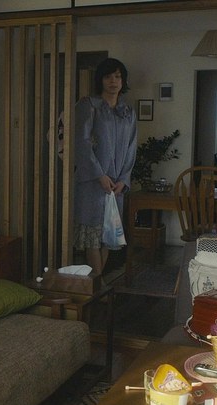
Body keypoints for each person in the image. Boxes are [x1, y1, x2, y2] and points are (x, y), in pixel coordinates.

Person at [73, 57, 137, 276]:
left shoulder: (128, 112)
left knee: (110, 235)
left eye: (118, 76)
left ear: (123, 80)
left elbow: (131, 147)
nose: (113, 81)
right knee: (92, 235)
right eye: (108, 76)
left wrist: (124, 180)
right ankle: (97, 284)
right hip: (92, 183)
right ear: (100, 80)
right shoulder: (89, 105)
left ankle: (96, 283)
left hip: (116, 185)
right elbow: (81, 143)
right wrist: (99, 175)